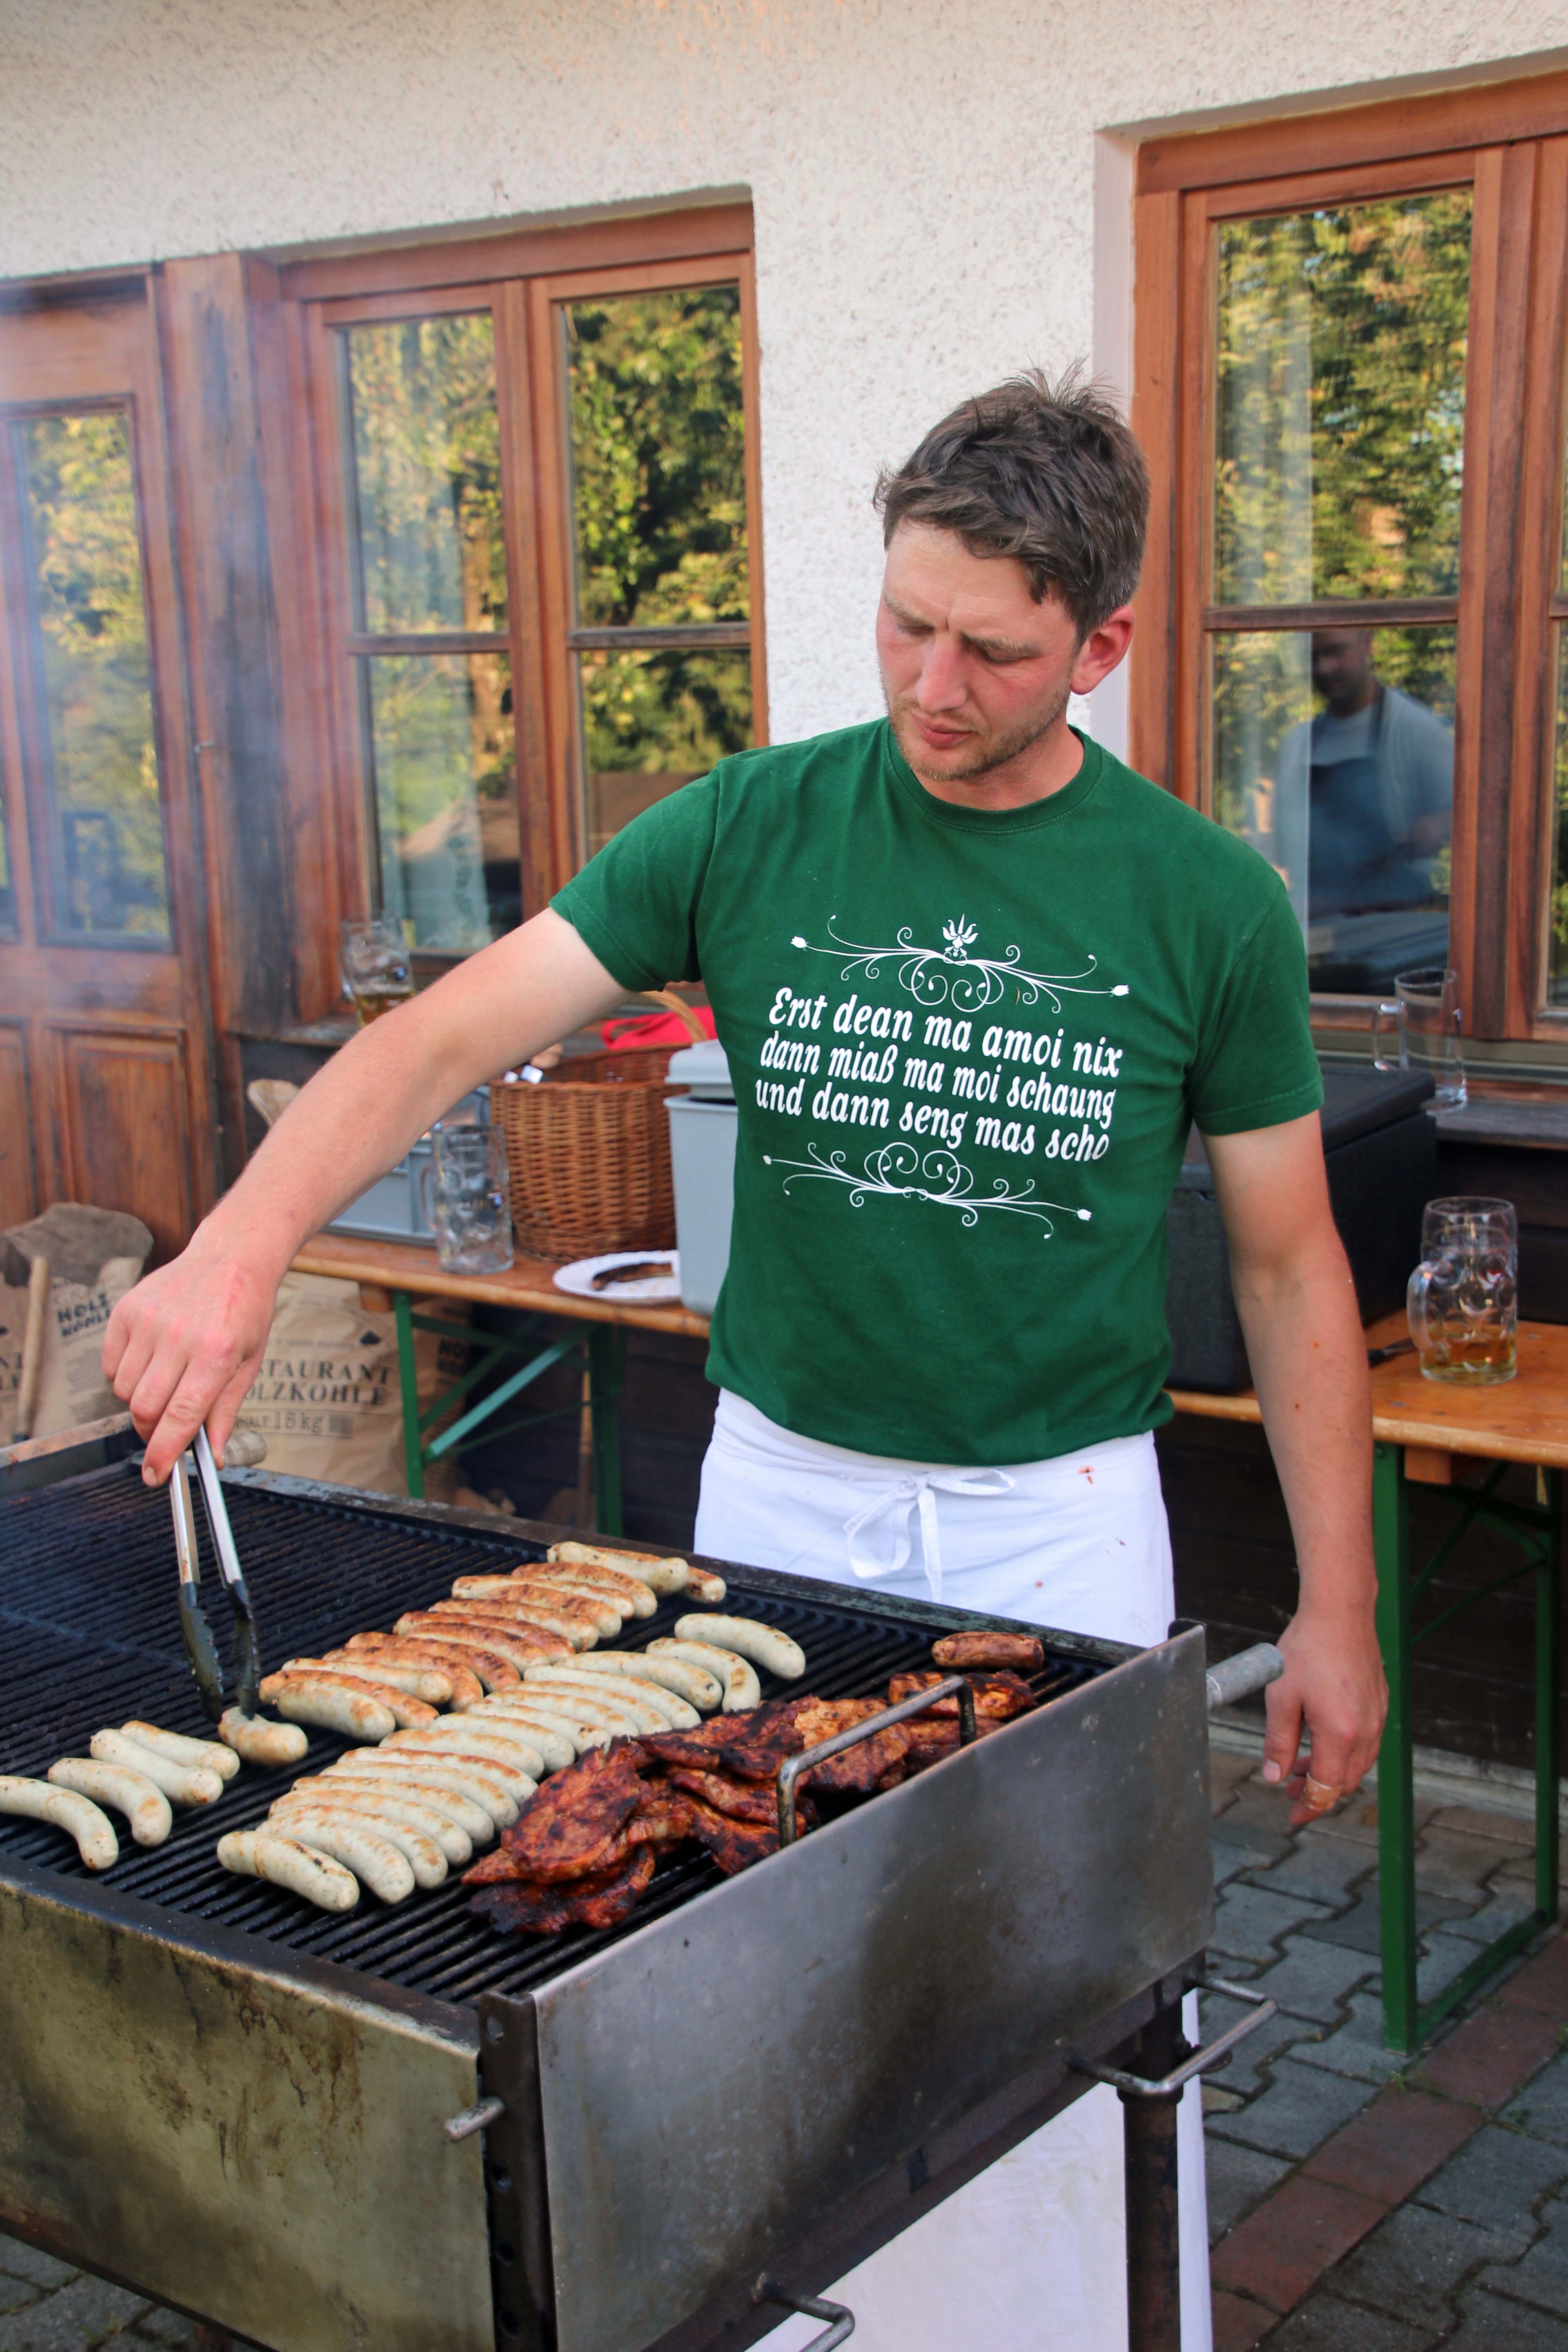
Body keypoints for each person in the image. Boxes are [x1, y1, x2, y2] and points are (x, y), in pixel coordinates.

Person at [104, 369, 1387, 2352]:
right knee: (758, 1991)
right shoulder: (751, 823)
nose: (930, 686)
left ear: (1100, 647)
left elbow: (1293, 1270)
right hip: (781, 1496)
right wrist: (233, 1247)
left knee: (1056, 1999)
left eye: (989, 651)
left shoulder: (1200, 898)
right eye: (903, 623)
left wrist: (1337, 1610)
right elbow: (442, 1035)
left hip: (1055, 1526)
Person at [1270, 627, 1454, 991]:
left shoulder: (1417, 730)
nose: (1324, 668)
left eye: (1335, 653)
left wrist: (1439, 824)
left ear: (1367, 643)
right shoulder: (1297, 744)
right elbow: (1282, 849)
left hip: (1397, 938)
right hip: (1318, 937)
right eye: (1313, 658)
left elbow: (1471, 815)